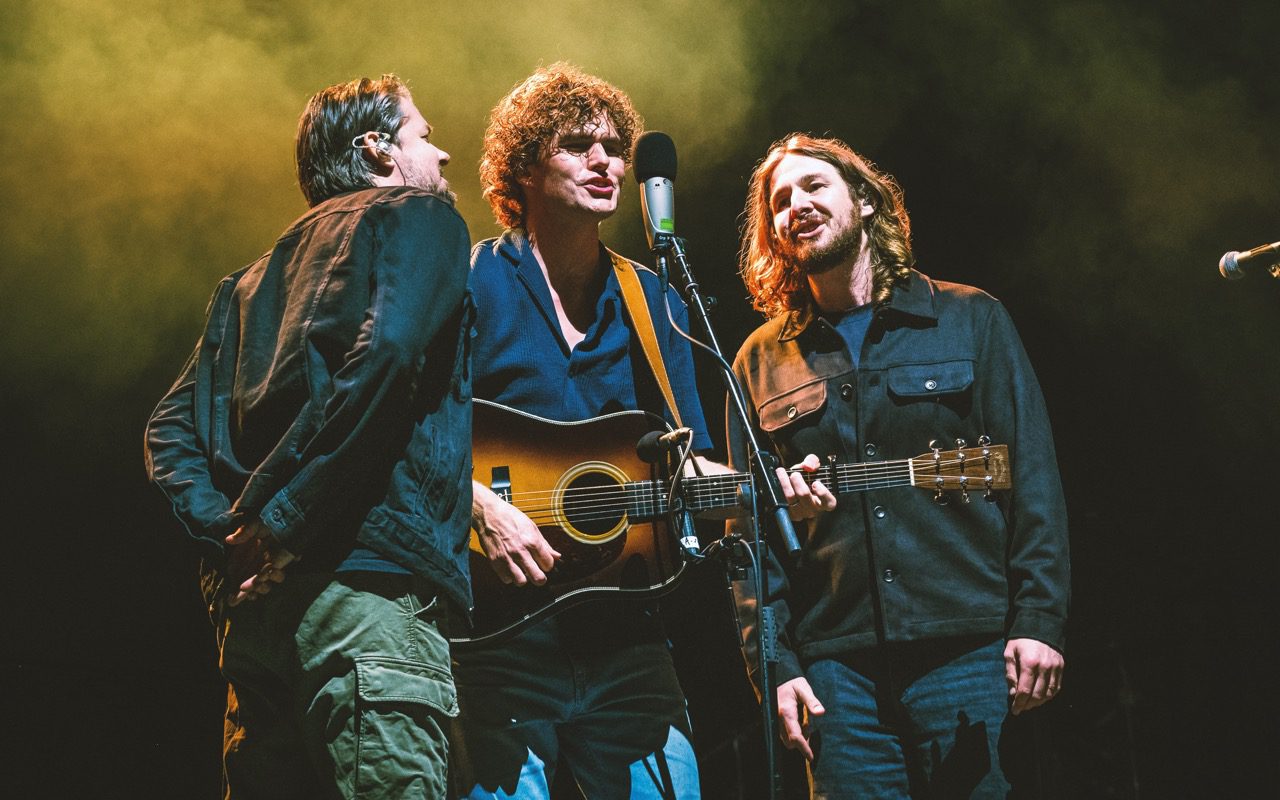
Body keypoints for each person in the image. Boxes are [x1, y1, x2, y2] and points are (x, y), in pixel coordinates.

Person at [143, 74, 473, 799]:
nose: (443, 155)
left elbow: (168, 431)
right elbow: (387, 355)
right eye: (424, 134)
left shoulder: (245, 283)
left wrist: (232, 536)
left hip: (255, 620)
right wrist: (284, 523)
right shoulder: (419, 217)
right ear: (377, 149)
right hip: (367, 599)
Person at [727, 133, 1070, 798]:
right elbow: (747, 539)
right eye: (779, 200)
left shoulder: (970, 319)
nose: (796, 204)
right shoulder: (757, 361)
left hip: (969, 650)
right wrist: (774, 664)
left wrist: (1039, 621)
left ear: (864, 200)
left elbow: (1033, 478)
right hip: (836, 674)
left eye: (814, 186)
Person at [452, 63, 723, 799]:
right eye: (578, 145)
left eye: (615, 147)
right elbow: (408, 433)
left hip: (625, 634)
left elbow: (688, 463)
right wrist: (481, 506)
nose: (607, 161)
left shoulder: (653, 297)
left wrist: (773, 489)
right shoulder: (470, 285)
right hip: (495, 633)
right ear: (524, 167)